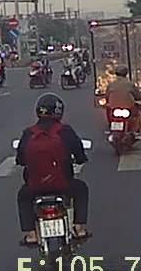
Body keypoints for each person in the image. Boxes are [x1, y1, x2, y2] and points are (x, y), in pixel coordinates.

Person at [16, 93, 90, 245]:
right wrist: (80, 159)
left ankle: (31, 234)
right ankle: (79, 228)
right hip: (64, 185)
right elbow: (79, 154)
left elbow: (20, 160)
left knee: (23, 196)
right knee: (81, 189)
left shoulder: (29, 133)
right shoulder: (65, 131)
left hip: (34, 187)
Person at [105, 66, 141, 135]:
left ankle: (111, 126)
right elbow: (137, 96)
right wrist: (140, 98)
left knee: (108, 110)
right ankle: (135, 131)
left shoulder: (111, 85)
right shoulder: (130, 84)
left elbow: (107, 96)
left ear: (116, 74)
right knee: (138, 114)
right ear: (126, 74)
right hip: (128, 107)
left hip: (114, 108)